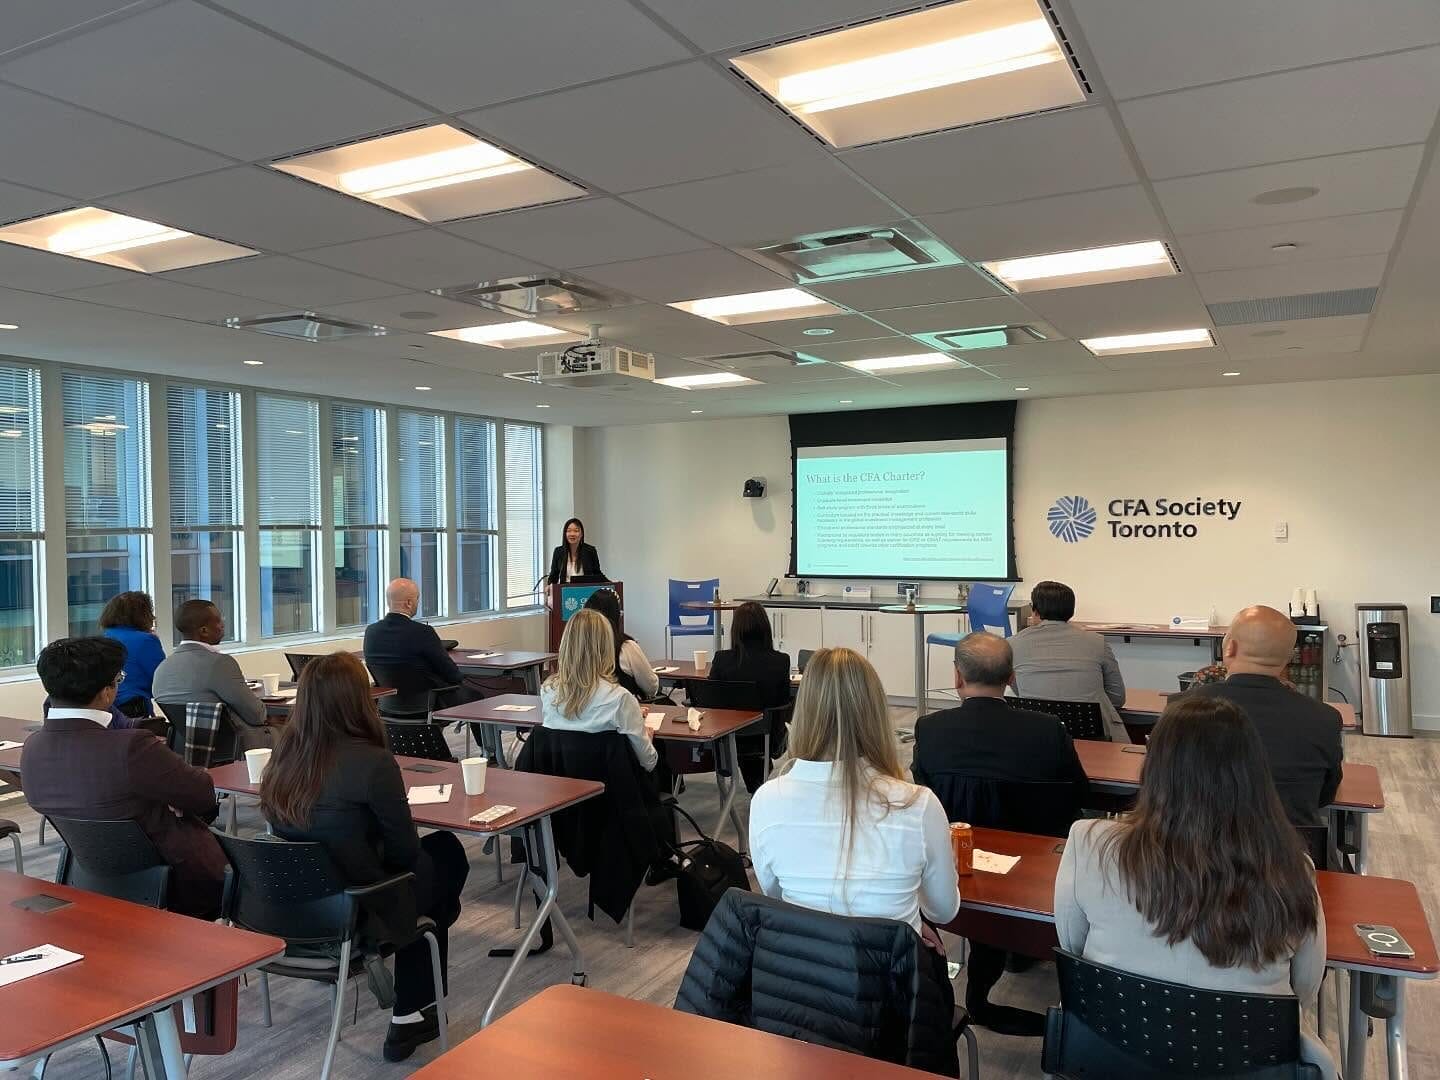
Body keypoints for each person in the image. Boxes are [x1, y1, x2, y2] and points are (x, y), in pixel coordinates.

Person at [1056, 696, 1336, 1078]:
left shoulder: (1089, 843)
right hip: (1248, 1065)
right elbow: (1303, 988)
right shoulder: (1293, 869)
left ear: (1154, 767)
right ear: (1253, 773)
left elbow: (1074, 947)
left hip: (1114, 1053)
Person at [260, 653, 470, 1063]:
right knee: (444, 857)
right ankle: (409, 1013)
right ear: (358, 700)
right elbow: (404, 851)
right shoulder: (372, 761)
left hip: (300, 906)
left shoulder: (282, 756)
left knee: (433, 881)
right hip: (358, 902)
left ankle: (413, 1004)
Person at [911, 632, 1087, 1035]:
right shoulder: (1047, 731)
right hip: (1039, 884)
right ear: (1010, 676)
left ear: (957, 677)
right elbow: (1078, 795)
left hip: (957, 872)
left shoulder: (930, 729)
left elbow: (926, 800)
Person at [749, 646, 960, 954]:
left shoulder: (767, 800)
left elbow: (777, 894)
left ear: (804, 711)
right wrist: (905, 917)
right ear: (876, 712)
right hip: (891, 982)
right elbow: (944, 911)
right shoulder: (918, 805)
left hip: (802, 978)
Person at [21, 637, 226, 919]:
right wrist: (168, 798)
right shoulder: (132, 747)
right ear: (107, 692)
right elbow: (202, 794)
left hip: (90, 877)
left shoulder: (32, 749)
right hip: (177, 878)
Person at [1186, 605, 1343, 826]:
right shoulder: (1325, 719)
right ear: (1288, 658)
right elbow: (1325, 795)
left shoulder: (1182, 707)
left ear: (1229, 647)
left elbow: (1156, 780)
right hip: (1289, 853)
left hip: (1191, 848)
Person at [540, 609, 656, 773]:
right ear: (606, 647)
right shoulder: (620, 699)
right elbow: (648, 762)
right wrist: (648, 737)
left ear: (565, 645)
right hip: (612, 792)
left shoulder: (548, 691)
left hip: (560, 788)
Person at [152, 599, 272, 750]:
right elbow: (256, 715)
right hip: (236, 746)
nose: (223, 624)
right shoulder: (220, 663)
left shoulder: (162, 669)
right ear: (204, 631)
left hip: (187, 750)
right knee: (295, 735)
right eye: (218, 620)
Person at [1010, 580, 1126, 736]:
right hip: (1096, 737)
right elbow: (1117, 697)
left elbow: (1021, 692)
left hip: (1037, 736)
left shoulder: (1012, 644)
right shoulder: (1097, 642)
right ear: (1071, 611)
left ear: (1034, 611)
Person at [709, 600, 792, 791]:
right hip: (767, 738)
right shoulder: (780, 661)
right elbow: (783, 703)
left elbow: (712, 698)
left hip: (725, 738)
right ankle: (760, 787)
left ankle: (758, 787)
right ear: (766, 628)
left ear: (735, 629)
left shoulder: (722, 660)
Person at [363, 579, 478, 712]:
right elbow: (452, 675)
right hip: (428, 704)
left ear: (389, 602)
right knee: (477, 696)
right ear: (409, 603)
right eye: (417, 599)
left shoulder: (371, 632)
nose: (418, 603)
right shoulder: (423, 632)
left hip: (389, 705)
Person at [98, 590, 165, 718]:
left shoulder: (104, 637)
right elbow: (161, 680)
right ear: (144, 615)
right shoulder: (146, 640)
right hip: (132, 707)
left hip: (105, 707)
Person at [583, 588, 659, 699]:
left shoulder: (578, 649)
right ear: (616, 616)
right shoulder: (626, 647)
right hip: (627, 711)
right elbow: (651, 687)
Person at [546, 517, 602, 586]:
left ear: (581, 534)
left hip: (586, 589)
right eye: (569, 531)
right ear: (565, 534)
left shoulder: (590, 550)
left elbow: (597, 574)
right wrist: (549, 586)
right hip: (565, 590)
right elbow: (554, 575)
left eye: (576, 531)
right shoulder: (558, 551)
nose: (572, 534)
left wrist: (612, 583)